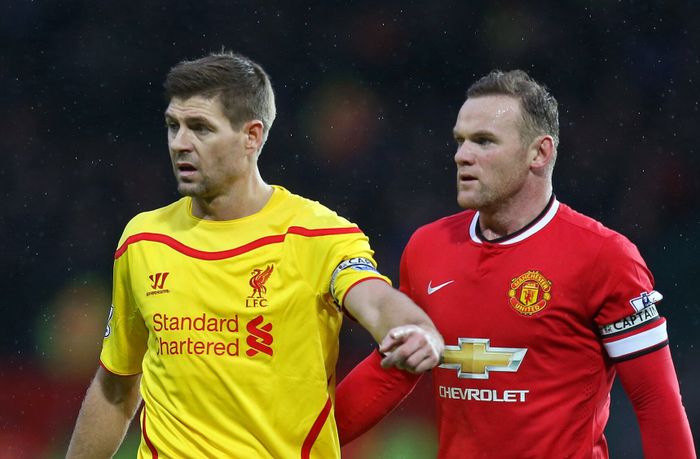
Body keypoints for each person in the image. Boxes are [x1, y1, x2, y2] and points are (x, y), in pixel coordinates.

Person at [66, 51, 444, 459]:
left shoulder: (315, 233)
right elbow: (117, 387)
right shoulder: (143, 239)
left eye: (200, 128)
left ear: (252, 136)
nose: (180, 144)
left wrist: (414, 328)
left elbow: (374, 298)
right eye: (173, 126)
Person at [335, 70, 696, 458]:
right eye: (460, 141)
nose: (462, 155)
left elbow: (655, 401)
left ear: (539, 153)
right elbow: (392, 371)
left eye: (484, 141)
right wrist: (290, 443)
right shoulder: (428, 247)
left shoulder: (604, 257)